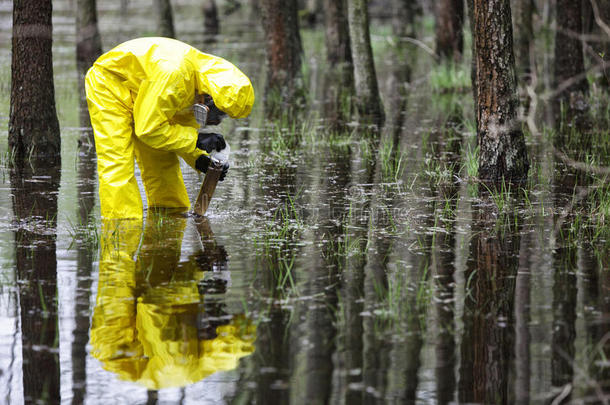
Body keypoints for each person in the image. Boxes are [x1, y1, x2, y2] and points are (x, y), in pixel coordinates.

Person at [85, 37, 255, 219]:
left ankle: (169, 218)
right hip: (111, 85)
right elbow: (148, 130)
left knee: (163, 160)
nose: (216, 121)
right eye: (218, 114)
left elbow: (177, 132)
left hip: (145, 91)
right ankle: (121, 229)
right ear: (210, 98)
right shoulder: (175, 76)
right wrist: (196, 139)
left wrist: (199, 158)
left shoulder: (198, 86)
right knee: (117, 163)